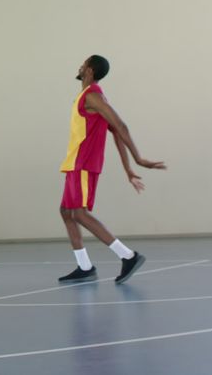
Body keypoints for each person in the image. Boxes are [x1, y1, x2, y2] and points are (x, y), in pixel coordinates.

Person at [57, 55, 166, 285]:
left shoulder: (93, 96)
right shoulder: (88, 96)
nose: (80, 65)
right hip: (75, 162)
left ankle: (128, 256)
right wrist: (127, 169)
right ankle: (85, 266)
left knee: (79, 213)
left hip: (83, 163)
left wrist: (137, 159)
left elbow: (120, 125)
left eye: (84, 62)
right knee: (67, 211)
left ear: (90, 70)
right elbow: (115, 133)